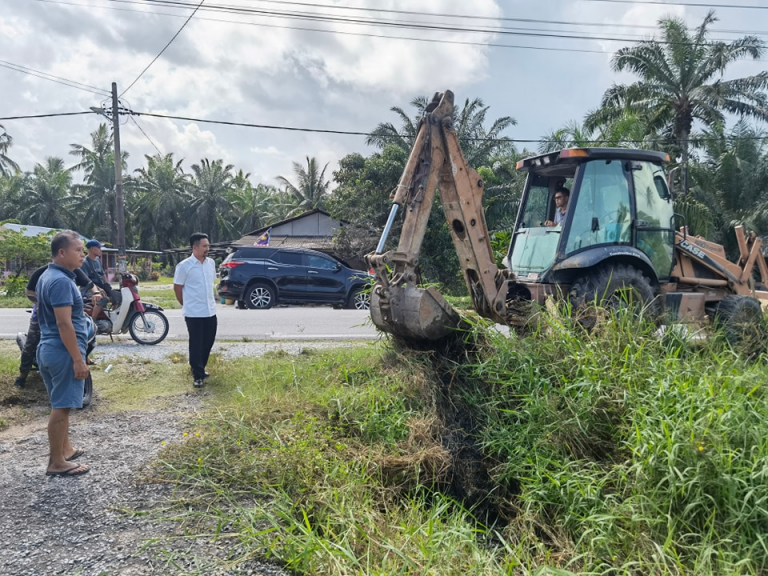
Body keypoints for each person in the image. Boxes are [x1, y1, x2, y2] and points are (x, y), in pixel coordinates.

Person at [36, 230, 90, 477]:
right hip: (62, 351)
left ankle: (65, 449)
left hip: (50, 348)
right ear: (61, 252)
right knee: (62, 406)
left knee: (61, 403)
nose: (82, 255)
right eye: (78, 250)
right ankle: (56, 462)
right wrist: (78, 359)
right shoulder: (61, 281)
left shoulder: (48, 276)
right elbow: (64, 324)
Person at [14, 264, 93, 388]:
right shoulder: (41, 272)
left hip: (68, 313)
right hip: (43, 316)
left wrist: (96, 293)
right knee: (30, 345)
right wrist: (41, 304)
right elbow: (29, 291)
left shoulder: (74, 271)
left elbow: (90, 285)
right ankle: (22, 376)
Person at [173, 232, 217, 388]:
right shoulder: (184, 266)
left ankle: (201, 367)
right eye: (205, 246)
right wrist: (185, 304)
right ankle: (197, 375)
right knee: (196, 343)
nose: (207, 249)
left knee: (208, 342)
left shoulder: (211, 263)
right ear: (195, 247)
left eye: (208, 246)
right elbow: (177, 288)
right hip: (194, 313)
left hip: (210, 311)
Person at [80, 239, 120, 320]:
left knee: (117, 296)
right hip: (89, 289)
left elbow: (102, 274)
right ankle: (93, 321)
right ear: (92, 249)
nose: (100, 250)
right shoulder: (85, 263)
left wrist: (107, 286)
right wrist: (98, 290)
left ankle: (112, 318)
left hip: (100, 286)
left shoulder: (98, 260)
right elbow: (86, 281)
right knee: (102, 299)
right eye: (98, 247)